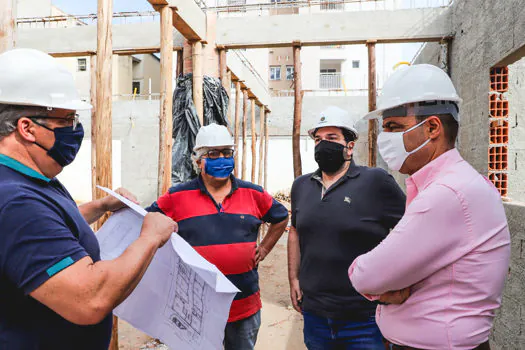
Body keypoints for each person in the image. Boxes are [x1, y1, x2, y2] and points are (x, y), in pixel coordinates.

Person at [0, 48, 177, 350]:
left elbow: (46, 233)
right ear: (27, 127)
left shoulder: (31, 178)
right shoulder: (16, 201)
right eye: (66, 120)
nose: (75, 130)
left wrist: (101, 206)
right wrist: (150, 238)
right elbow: (89, 299)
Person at [348, 64, 511, 350]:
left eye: (394, 127)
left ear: (432, 127)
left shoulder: (447, 194)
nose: (386, 138)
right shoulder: (450, 184)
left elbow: (366, 275)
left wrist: (373, 280)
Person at [147, 123, 289, 350]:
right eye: (213, 153)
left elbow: (281, 218)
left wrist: (263, 248)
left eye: (226, 152)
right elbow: (146, 222)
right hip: (195, 310)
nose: (221, 158)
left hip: (243, 307)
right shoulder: (177, 196)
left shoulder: (254, 193)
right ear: (197, 160)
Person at [288, 106, 406, 349]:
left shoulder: (376, 182)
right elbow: (295, 232)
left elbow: (410, 232)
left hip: (364, 318)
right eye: (318, 139)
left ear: (349, 146)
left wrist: (399, 284)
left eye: (331, 138)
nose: (323, 145)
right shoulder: (301, 186)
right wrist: (293, 278)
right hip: (316, 315)